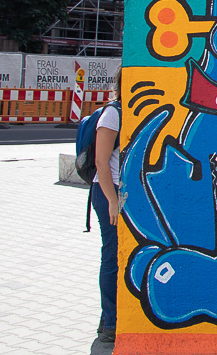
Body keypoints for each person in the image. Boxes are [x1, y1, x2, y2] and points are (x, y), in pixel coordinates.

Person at [91, 68, 123, 344]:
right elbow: (102, 162)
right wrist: (112, 200)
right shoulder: (114, 113)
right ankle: (109, 323)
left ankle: (114, 316)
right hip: (109, 193)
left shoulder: (136, 109)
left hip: (125, 195)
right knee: (112, 256)